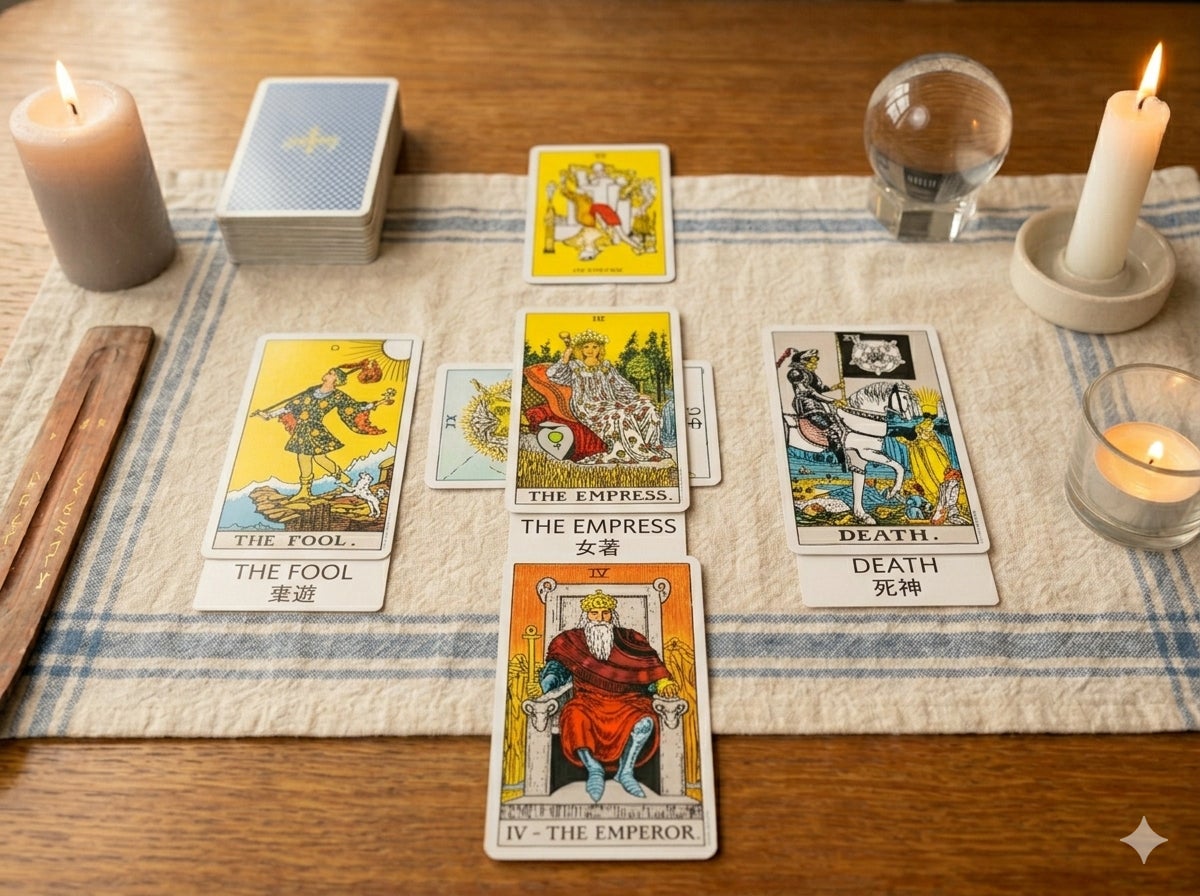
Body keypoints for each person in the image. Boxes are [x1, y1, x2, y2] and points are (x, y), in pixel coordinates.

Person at [539, 589, 679, 802]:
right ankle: (594, 769)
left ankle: (626, 771)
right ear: (586, 615)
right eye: (595, 613)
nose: (600, 618)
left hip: (627, 700)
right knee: (574, 716)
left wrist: (662, 682)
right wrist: (546, 684)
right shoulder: (571, 641)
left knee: (644, 721)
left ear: (612, 615)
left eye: (605, 613)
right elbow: (557, 670)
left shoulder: (630, 639)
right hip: (587, 700)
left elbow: (649, 667)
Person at [253, 360, 394, 498]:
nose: (328, 373)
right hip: (302, 428)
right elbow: (291, 406)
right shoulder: (312, 391)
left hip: (315, 429)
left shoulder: (337, 395)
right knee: (317, 458)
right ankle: (344, 481)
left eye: (331, 373)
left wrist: (379, 403)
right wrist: (269, 415)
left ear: (337, 379)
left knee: (307, 457)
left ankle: (307, 491)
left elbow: (355, 407)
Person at [541, 329, 672, 465]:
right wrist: (565, 359)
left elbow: (619, 384)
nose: (590, 350)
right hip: (587, 406)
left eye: (595, 346)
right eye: (586, 346)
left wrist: (636, 396)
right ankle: (634, 452)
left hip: (610, 402)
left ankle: (651, 447)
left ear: (600, 349)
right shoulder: (574, 366)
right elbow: (553, 375)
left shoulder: (606, 366)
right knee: (619, 414)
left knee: (647, 407)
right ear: (580, 349)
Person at [779, 347, 845, 462]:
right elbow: (808, 392)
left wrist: (836, 387)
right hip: (807, 406)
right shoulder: (796, 373)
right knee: (832, 431)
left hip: (818, 406)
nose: (816, 364)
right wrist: (832, 401)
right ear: (804, 361)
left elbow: (820, 389)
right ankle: (842, 461)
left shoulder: (811, 374)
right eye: (813, 361)